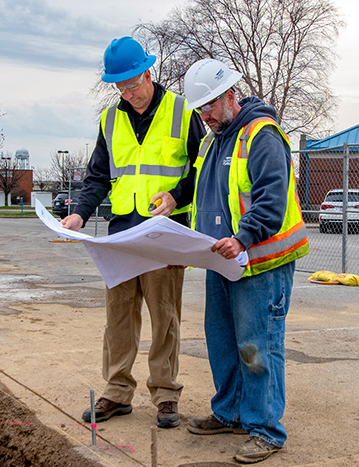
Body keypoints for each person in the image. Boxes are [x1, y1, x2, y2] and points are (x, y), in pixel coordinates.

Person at [61, 36, 206, 429]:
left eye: (133, 83)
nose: (129, 93)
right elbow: (96, 177)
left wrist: (177, 196)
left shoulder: (182, 111)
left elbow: (204, 168)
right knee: (119, 317)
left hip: (166, 233)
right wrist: (78, 214)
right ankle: (117, 392)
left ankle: (165, 393)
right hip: (122, 234)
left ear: (148, 72)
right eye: (120, 87)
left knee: (165, 318)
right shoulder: (110, 120)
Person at [181, 59, 309, 464]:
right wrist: (176, 202)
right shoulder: (213, 139)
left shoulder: (262, 135)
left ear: (230, 96)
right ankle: (230, 412)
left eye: (210, 107)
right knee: (222, 342)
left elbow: (272, 198)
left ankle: (266, 429)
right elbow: (201, 189)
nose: (205, 117)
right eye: (200, 110)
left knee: (258, 346)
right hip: (223, 260)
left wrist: (243, 238)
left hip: (260, 262)